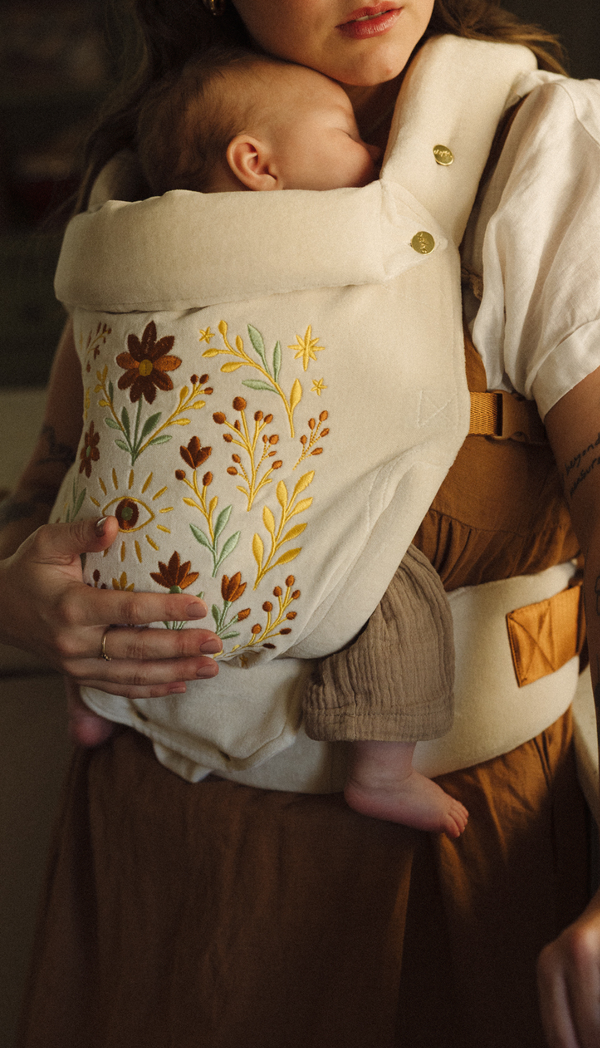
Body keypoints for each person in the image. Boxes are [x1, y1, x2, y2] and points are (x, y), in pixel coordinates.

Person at [4, 0, 600, 1048]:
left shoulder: (540, 148)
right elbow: (52, 489)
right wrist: (16, 599)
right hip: (162, 841)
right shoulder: (150, 181)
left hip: (462, 850)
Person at [63, 45, 465, 837]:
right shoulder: (348, 233)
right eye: (345, 131)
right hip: (264, 550)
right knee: (397, 590)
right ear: (258, 164)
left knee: (87, 523)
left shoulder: (119, 243)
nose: (372, 150)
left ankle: (94, 699)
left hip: (118, 553)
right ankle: (381, 769)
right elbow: (405, 241)